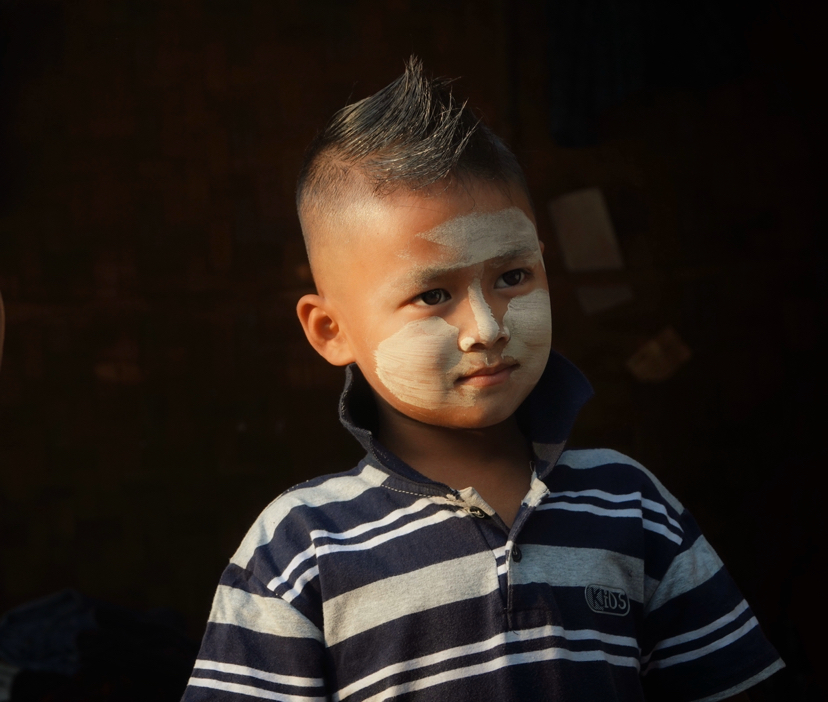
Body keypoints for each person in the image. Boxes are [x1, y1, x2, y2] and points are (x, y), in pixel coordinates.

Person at [180, 58, 783, 701]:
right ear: (332, 331)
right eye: (433, 294)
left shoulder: (631, 505)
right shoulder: (299, 548)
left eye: (512, 277)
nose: (488, 328)